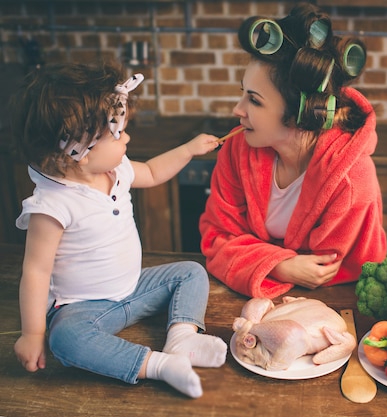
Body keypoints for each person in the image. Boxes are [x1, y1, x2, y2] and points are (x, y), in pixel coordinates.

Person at [11, 62, 227, 399]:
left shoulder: (116, 169)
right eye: (118, 133)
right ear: (80, 152)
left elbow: (153, 172)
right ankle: (157, 365)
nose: (127, 136)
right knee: (65, 340)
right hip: (82, 308)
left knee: (191, 272)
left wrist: (188, 149)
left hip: (134, 288)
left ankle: (182, 338)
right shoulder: (52, 205)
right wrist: (32, 333)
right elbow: (35, 271)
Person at [199, 3, 387, 298]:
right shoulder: (237, 149)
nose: (238, 110)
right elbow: (216, 237)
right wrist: (282, 265)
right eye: (243, 94)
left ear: (301, 114)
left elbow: (323, 270)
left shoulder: (352, 178)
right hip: (246, 301)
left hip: (333, 305)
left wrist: (251, 256)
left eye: (255, 101)